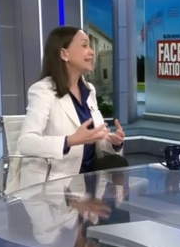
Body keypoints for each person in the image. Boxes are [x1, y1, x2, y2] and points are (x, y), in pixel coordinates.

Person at [17, 26, 129, 190]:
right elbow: (25, 143)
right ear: (64, 54)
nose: (92, 52)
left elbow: (92, 140)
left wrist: (113, 142)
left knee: (118, 165)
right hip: (56, 183)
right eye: (84, 45)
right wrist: (70, 141)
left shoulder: (89, 90)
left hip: (90, 178)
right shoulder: (42, 91)